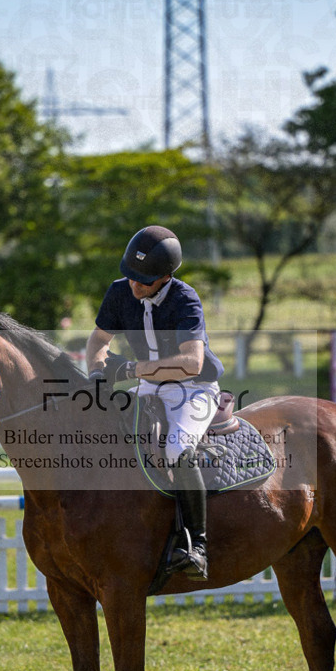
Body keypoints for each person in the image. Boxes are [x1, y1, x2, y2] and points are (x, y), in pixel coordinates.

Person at [86, 225, 224, 579]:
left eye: (143, 281)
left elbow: (191, 363)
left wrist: (132, 368)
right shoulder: (121, 292)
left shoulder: (184, 299)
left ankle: (199, 545)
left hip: (193, 388)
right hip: (149, 387)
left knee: (177, 449)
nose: (135, 286)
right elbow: (99, 339)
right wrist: (97, 373)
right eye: (130, 276)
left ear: (165, 277)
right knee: (100, 429)